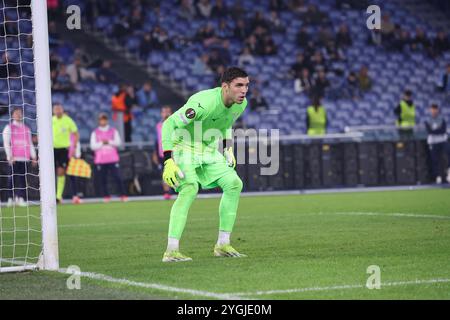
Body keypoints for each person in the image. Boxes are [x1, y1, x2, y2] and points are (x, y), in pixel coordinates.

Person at [160, 67, 249, 262]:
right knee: (190, 189)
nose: (244, 90)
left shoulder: (240, 104)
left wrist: (227, 148)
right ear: (225, 87)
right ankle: (171, 250)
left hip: (207, 149)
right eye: (239, 85)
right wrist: (168, 160)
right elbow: (169, 125)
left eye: (246, 85)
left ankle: (223, 244)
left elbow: (225, 124)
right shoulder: (203, 103)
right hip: (182, 146)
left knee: (234, 184)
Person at [2, 108, 37, 207]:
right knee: (12, 178)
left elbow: (29, 143)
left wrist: (33, 156)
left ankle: (20, 198)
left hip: (24, 157)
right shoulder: (9, 128)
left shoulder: (26, 128)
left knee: (22, 179)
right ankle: (10, 198)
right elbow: (6, 143)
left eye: (20, 113)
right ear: (12, 115)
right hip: (14, 158)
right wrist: (9, 156)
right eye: (16, 113)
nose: (18, 115)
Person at [90, 113, 128, 202]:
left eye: (104, 119)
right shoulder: (95, 132)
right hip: (100, 159)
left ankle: (123, 194)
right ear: (99, 121)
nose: (103, 121)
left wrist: (108, 142)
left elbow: (118, 143)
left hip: (112, 158)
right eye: (101, 119)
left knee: (117, 177)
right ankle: (106, 196)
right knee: (103, 179)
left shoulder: (113, 131)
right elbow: (93, 146)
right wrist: (102, 143)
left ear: (107, 120)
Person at [52, 103, 79, 204]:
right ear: (53, 110)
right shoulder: (50, 120)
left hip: (63, 150)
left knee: (61, 171)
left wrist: (75, 146)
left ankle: (58, 196)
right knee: (49, 172)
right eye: (56, 109)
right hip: (51, 150)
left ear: (62, 110)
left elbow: (76, 133)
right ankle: (49, 195)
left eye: (59, 109)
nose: (58, 110)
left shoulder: (68, 120)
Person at [424, 104, 450, 184]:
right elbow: (430, 131)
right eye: (432, 109)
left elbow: (443, 130)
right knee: (435, 160)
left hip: (442, 141)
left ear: (437, 110)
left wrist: (435, 131)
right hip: (434, 142)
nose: (434, 111)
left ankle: (447, 175)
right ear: (430, 110)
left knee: (446, 158)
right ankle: (438, 176)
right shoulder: (428, 120)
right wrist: (437, 131)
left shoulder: (442, 119)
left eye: (435, 109)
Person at [152, 106, 173, 200]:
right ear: (161, 114)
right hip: (163, 153)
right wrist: (155, 153)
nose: (166, 114)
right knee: (165, 174)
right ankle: (167, 192)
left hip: (176, 153)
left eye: (168, 112)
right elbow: (158, 140)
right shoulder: (158, 126)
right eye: (164, 112)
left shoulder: (176, 124)